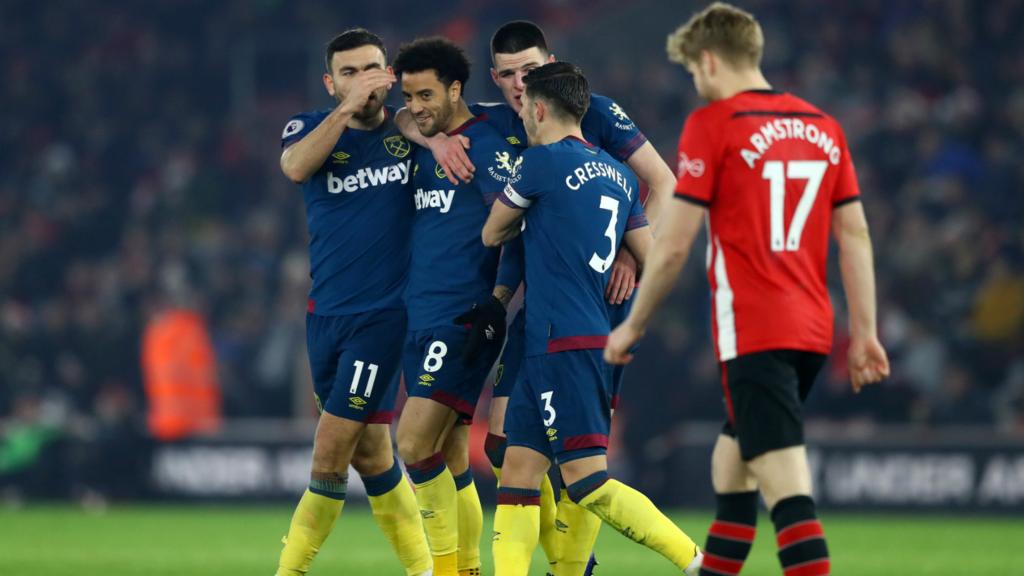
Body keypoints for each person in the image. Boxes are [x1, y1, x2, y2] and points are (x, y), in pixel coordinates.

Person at [604, 4, 891, 575]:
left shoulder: (715, 126)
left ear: (709, 61)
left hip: (757, 333)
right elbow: (854, 232)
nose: (695, 81)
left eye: (692, 70)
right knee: (730, 470)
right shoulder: (824, 127)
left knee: (788, 492)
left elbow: (677, 244)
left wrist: (632, 324)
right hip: (813, 330)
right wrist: (864, 334)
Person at [398, 20, 680, 575]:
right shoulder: (508, 118)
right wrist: (432, 137)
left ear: (550, 64)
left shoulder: (591, 110)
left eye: (529, 70)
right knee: (507, 450)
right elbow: (410, 113)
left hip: (595, 303)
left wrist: (630, 254)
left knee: (580, 459)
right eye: (507, 75)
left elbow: (665, 181)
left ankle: (578, 562)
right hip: (538, 305)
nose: (519, 84)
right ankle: (561, 558)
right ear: (496, 79)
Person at [483, 62, 703, 576]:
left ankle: (697, 561)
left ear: (538, 109)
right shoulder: (621, 175)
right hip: (568, 339)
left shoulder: (539, 164)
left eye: (526, 110)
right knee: (517, 479)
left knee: (587, 484)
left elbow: (493, 234)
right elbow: (649, 256)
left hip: (564, 345)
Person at [275, 28, 431, 576]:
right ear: (331, 82)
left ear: (391, 74)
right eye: (350, 72)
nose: (364, 81)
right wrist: (344, 110)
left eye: (373, 69)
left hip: (385, 318)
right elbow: (295, 168)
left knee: (330, 450)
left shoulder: (411, 137)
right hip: (325, 317)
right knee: (371, 454)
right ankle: (427, 569)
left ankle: (287, 571)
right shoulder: (311, 130)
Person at [392, 36, 521, 576]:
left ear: (455, 89)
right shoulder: (432, 140)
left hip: (461, 317)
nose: (417, 106)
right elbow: (399, 118)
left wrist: (496, 301)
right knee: (446, 455)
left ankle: (446, 569)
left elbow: (515, 222)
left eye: (426, 95)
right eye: (410, 95)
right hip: (419, 316)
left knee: (413, 442)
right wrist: (429, 137)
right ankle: (467, 568)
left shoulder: (486, 146)